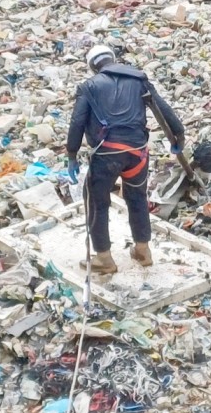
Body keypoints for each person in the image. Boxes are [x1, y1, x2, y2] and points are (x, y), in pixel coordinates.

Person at [66, 45, 185, 275]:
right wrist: (178, 135)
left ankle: (104, 259)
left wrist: (72, 155)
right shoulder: (139, 79)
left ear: (93, 66)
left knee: (96, 201)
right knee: (137, 197)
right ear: (113, 59)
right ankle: (143, 251)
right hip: (138, 153)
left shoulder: (88, 87)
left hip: (107, 154)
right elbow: (162, 108)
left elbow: (77, 122)